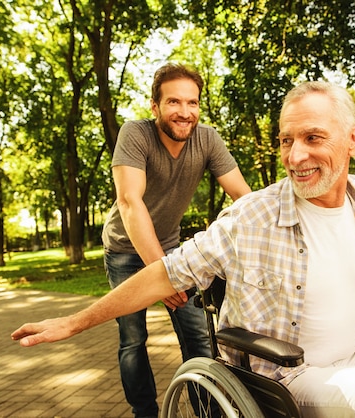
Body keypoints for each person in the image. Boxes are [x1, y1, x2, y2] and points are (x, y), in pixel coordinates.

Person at [13, 81, 355, 417]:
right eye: (287, 141)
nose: (296, 155)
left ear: (351, 140)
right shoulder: (251, 216)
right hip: (291, 375)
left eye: (312, 137)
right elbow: (167, 274)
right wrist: (74, 322)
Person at [100, 63, 251, 417]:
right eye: (174, 102)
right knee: (134, 339)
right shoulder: (135, 135)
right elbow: (129, 201)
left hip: (168, 246)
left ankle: (207, 413)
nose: (185, 112)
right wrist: (161, 271)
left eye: (192, 103)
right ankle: (145, 413)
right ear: (155, 107)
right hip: (124, 250)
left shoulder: (207, 139)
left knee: (199, 335)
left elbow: (243, 198)